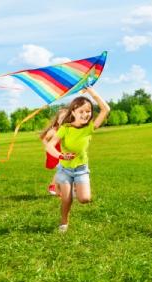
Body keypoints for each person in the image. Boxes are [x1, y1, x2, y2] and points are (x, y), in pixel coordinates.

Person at [45, 87, 110, 232]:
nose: (86, 114)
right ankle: (64, 223)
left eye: (88, 111)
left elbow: (105, 109)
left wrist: (92, 92)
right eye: (81, 111)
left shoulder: (89, 128)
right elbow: (49, 146)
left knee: (85, 199)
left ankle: (75, 191)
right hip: (65, 169)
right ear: (73, 112)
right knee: (66, 199)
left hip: (81, 169)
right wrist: (61, 156)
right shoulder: (65, 128)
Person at [40, 108, 67, 196]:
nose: (64, 120)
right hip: (55, 151)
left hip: (63, 152)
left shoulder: (67, 129)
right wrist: (48, 147)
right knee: (62, 169)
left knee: (64, 169)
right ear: (57, 120)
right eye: (62, 118)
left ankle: (59, 188)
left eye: (66, 118)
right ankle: (53, 186)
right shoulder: (53, 130)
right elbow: (44, 139)